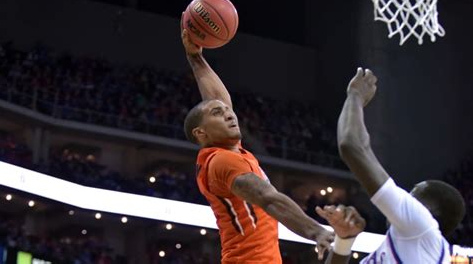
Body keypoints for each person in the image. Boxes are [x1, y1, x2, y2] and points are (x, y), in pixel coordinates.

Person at [181, 27, 334, 263]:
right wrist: (315, 230)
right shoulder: (221, 161)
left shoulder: (227, 150)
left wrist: (195, 58)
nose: (230, 115)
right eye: (218, 114)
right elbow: (267, 197)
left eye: (229, 111)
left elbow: (218, 100)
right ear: (201, 133)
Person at [333, 68, 466, 263]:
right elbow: (359, 148)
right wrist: (344, 240)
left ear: (426, 210)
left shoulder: (421, 225)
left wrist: (355, 96)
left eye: (413, 193)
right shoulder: (403, 243)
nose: (405, 196)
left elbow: (350, 147)